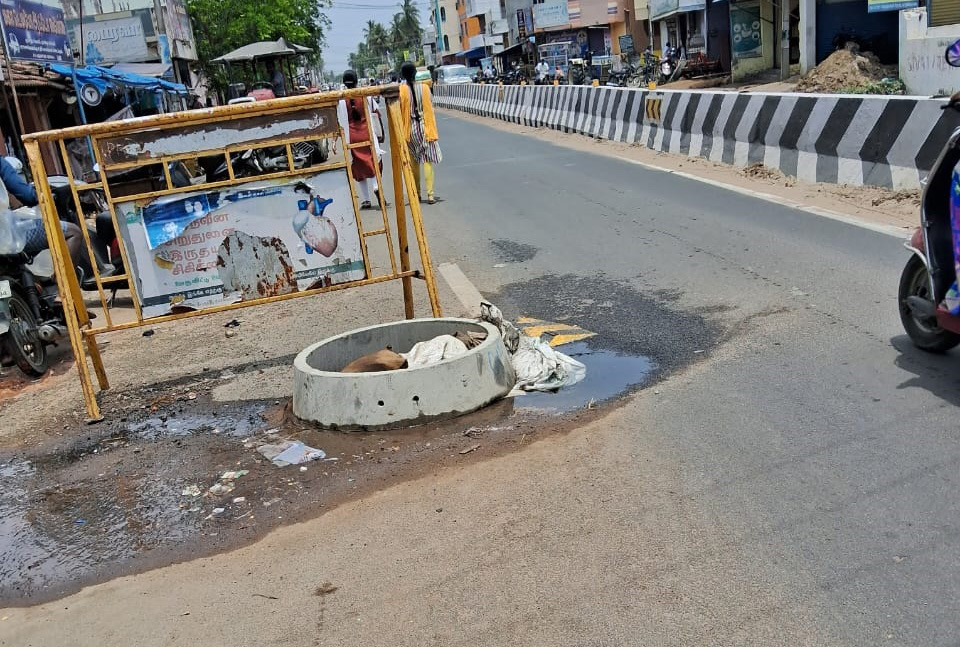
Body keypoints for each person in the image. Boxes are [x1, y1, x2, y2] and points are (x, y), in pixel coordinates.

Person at [0, 157, 109, 281]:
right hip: (5, 238)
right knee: (73, 232)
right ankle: (63, 293)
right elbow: (28, 196)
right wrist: (41, 196)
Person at [335, 70, 385, 209]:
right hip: (367, 134)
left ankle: (366, 199)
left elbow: (339, 121)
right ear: (357, 81)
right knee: (374, 162)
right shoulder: (366, 97)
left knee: (358, 168)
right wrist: (382, 134)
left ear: (344, 83)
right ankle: (376, 186)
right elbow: (377, 114)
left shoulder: (340, 101)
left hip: (352, 138)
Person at [399, 61, 442, 205]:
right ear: (415, 73)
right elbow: (431, 104)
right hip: (425, 128)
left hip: (410, 130)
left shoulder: (401, 90)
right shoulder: (425, 88)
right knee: (427, 162)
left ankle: (416, 194)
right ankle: (430, 195)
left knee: (414, 163)